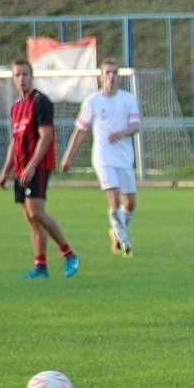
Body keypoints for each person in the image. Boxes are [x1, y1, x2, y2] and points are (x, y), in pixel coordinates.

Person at [0, 59, 80, 280]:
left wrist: (32, 166)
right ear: (13, 78)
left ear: (31, 76)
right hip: (21, 169)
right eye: (17, 75)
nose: (21, 79)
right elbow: (15, 143)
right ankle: (40, 266)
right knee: (31, 218)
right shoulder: (15, 107)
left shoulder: (41, 102)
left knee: (36, 212)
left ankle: (69, 254)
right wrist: (6, 171)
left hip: (38, 166)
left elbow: (47, 136)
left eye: (25, 74)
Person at [61, 59, 141, 257]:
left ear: (119, 77)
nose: (111, 76)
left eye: (115, 72)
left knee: (129, 204)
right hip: (103, 158)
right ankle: (125, 243)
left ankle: (115, 231)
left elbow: (136, 126)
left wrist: (121, 133)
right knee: (113, 200)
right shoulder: (93, 101)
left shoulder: (128, 99)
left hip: (124, 158)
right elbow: (80, 130)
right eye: (108, 72)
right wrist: (67, 156)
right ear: (101, 77)